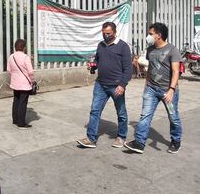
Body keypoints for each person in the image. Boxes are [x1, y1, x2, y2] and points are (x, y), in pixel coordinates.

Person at [125, 23, 182, 154]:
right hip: (151, 89)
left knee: (173, 117)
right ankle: (139, 143)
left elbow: (175, 71)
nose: (148, 36)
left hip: (168, 90)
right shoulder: (150, 50)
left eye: (151, 34)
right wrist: (146, 86)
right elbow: (150, 68)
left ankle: (176, 140)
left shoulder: (172, 50)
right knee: (145, 115)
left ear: (159, 35)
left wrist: (171, 90)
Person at [77, 22, 132, 148]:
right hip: (100, 84)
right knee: (95, 110)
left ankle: (121, 137)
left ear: (114, 32)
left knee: (121, 112)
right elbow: (97, 60)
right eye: (103, 33)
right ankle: (91, 139)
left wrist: (122, 85)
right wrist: (93, 65)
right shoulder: (100, 45)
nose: (105, 36)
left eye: (108, 33)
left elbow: (128, 69)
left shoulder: (123, 46)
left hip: (116, 85)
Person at [7, 39, 35, 129]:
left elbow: (9, 70)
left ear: (15, 47)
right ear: (24, 47)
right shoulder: (26, 57)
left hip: (15, 83)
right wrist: (32, 80)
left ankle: (15, 120)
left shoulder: (11, 57)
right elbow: (30, 71)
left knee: (16, 101)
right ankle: (21, 123)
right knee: (23, 103)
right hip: (25, 84)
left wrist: (15, 76)